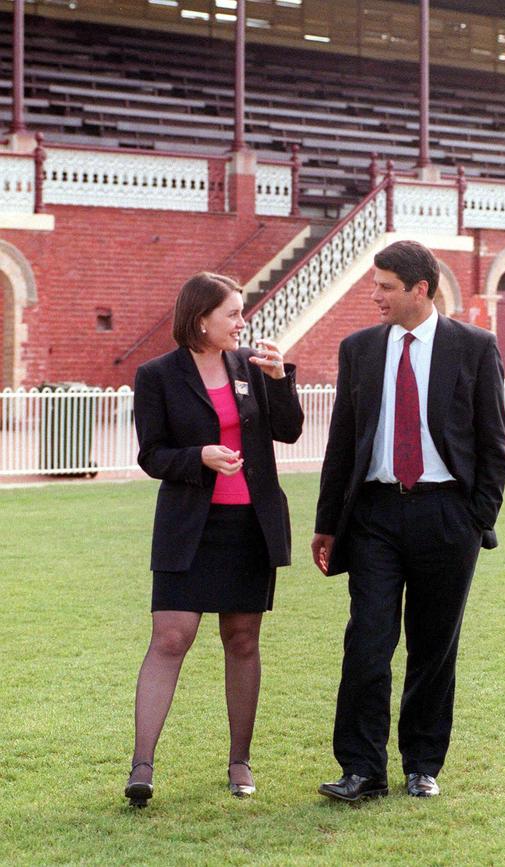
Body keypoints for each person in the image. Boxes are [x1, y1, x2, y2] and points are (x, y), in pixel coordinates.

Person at [311, 240, 505, 802]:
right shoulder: (360, 350)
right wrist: (329, 523)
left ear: (420, 290)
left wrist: (475, 518)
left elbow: (493, 444)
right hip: (373, 516)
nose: (375, 296)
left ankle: (422, 764)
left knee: (433, 646)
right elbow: (342, 444)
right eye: (375, 285)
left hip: (447, 516)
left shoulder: (474, 347)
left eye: (386, 287)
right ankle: (361, 770)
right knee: (367, 643)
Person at [124, 272, 303, 807]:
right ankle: (142, 766)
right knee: (170, 638)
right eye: (233, 313)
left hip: (250, 526)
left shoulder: (251, 367)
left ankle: (239, 761)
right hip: (188, 528)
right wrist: (199, 457)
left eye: (241, 312)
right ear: (201, 318)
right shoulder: (156, 375)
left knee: (243, 640)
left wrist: (278, 379)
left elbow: (289, 430)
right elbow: (151, 455)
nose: (241, 322)